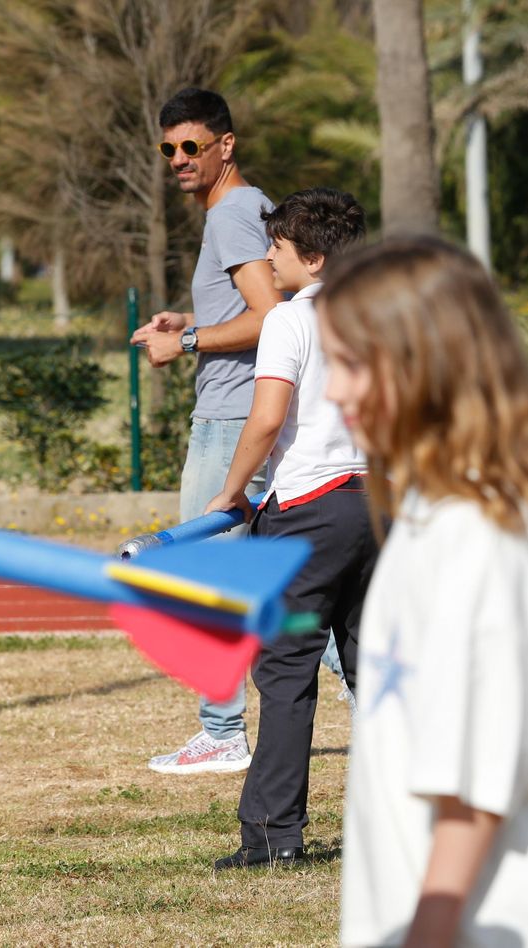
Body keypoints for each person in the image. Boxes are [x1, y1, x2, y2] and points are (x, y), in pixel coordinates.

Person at [317, 237, 528, 945]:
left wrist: (429, 928)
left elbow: (477, 783)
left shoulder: (473, 539)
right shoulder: (438, 521)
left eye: (348, 365)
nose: (332, 390)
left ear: (422, 366)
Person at [202, 187, 374, 870]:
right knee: (377, 671)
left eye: (276, 248)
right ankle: (424, 818)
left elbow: (269, 418)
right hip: (376, 503)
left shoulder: (289, 321)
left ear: (314, 256)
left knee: (286, 674)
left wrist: (231, 491)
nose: (267, 259)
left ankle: (273, 839)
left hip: (307, 512)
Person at [134, 87, 279, 774]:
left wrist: (187, 346)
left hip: (231, 418)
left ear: (227, 145)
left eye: (193, 146)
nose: (179, 159)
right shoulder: (239, 211)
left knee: (201, 575)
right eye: (169, 149)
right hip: (245, 410)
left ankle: (222, 733)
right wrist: (184, 324)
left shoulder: (233, 213)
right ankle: (373, 696)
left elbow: (270, 316)